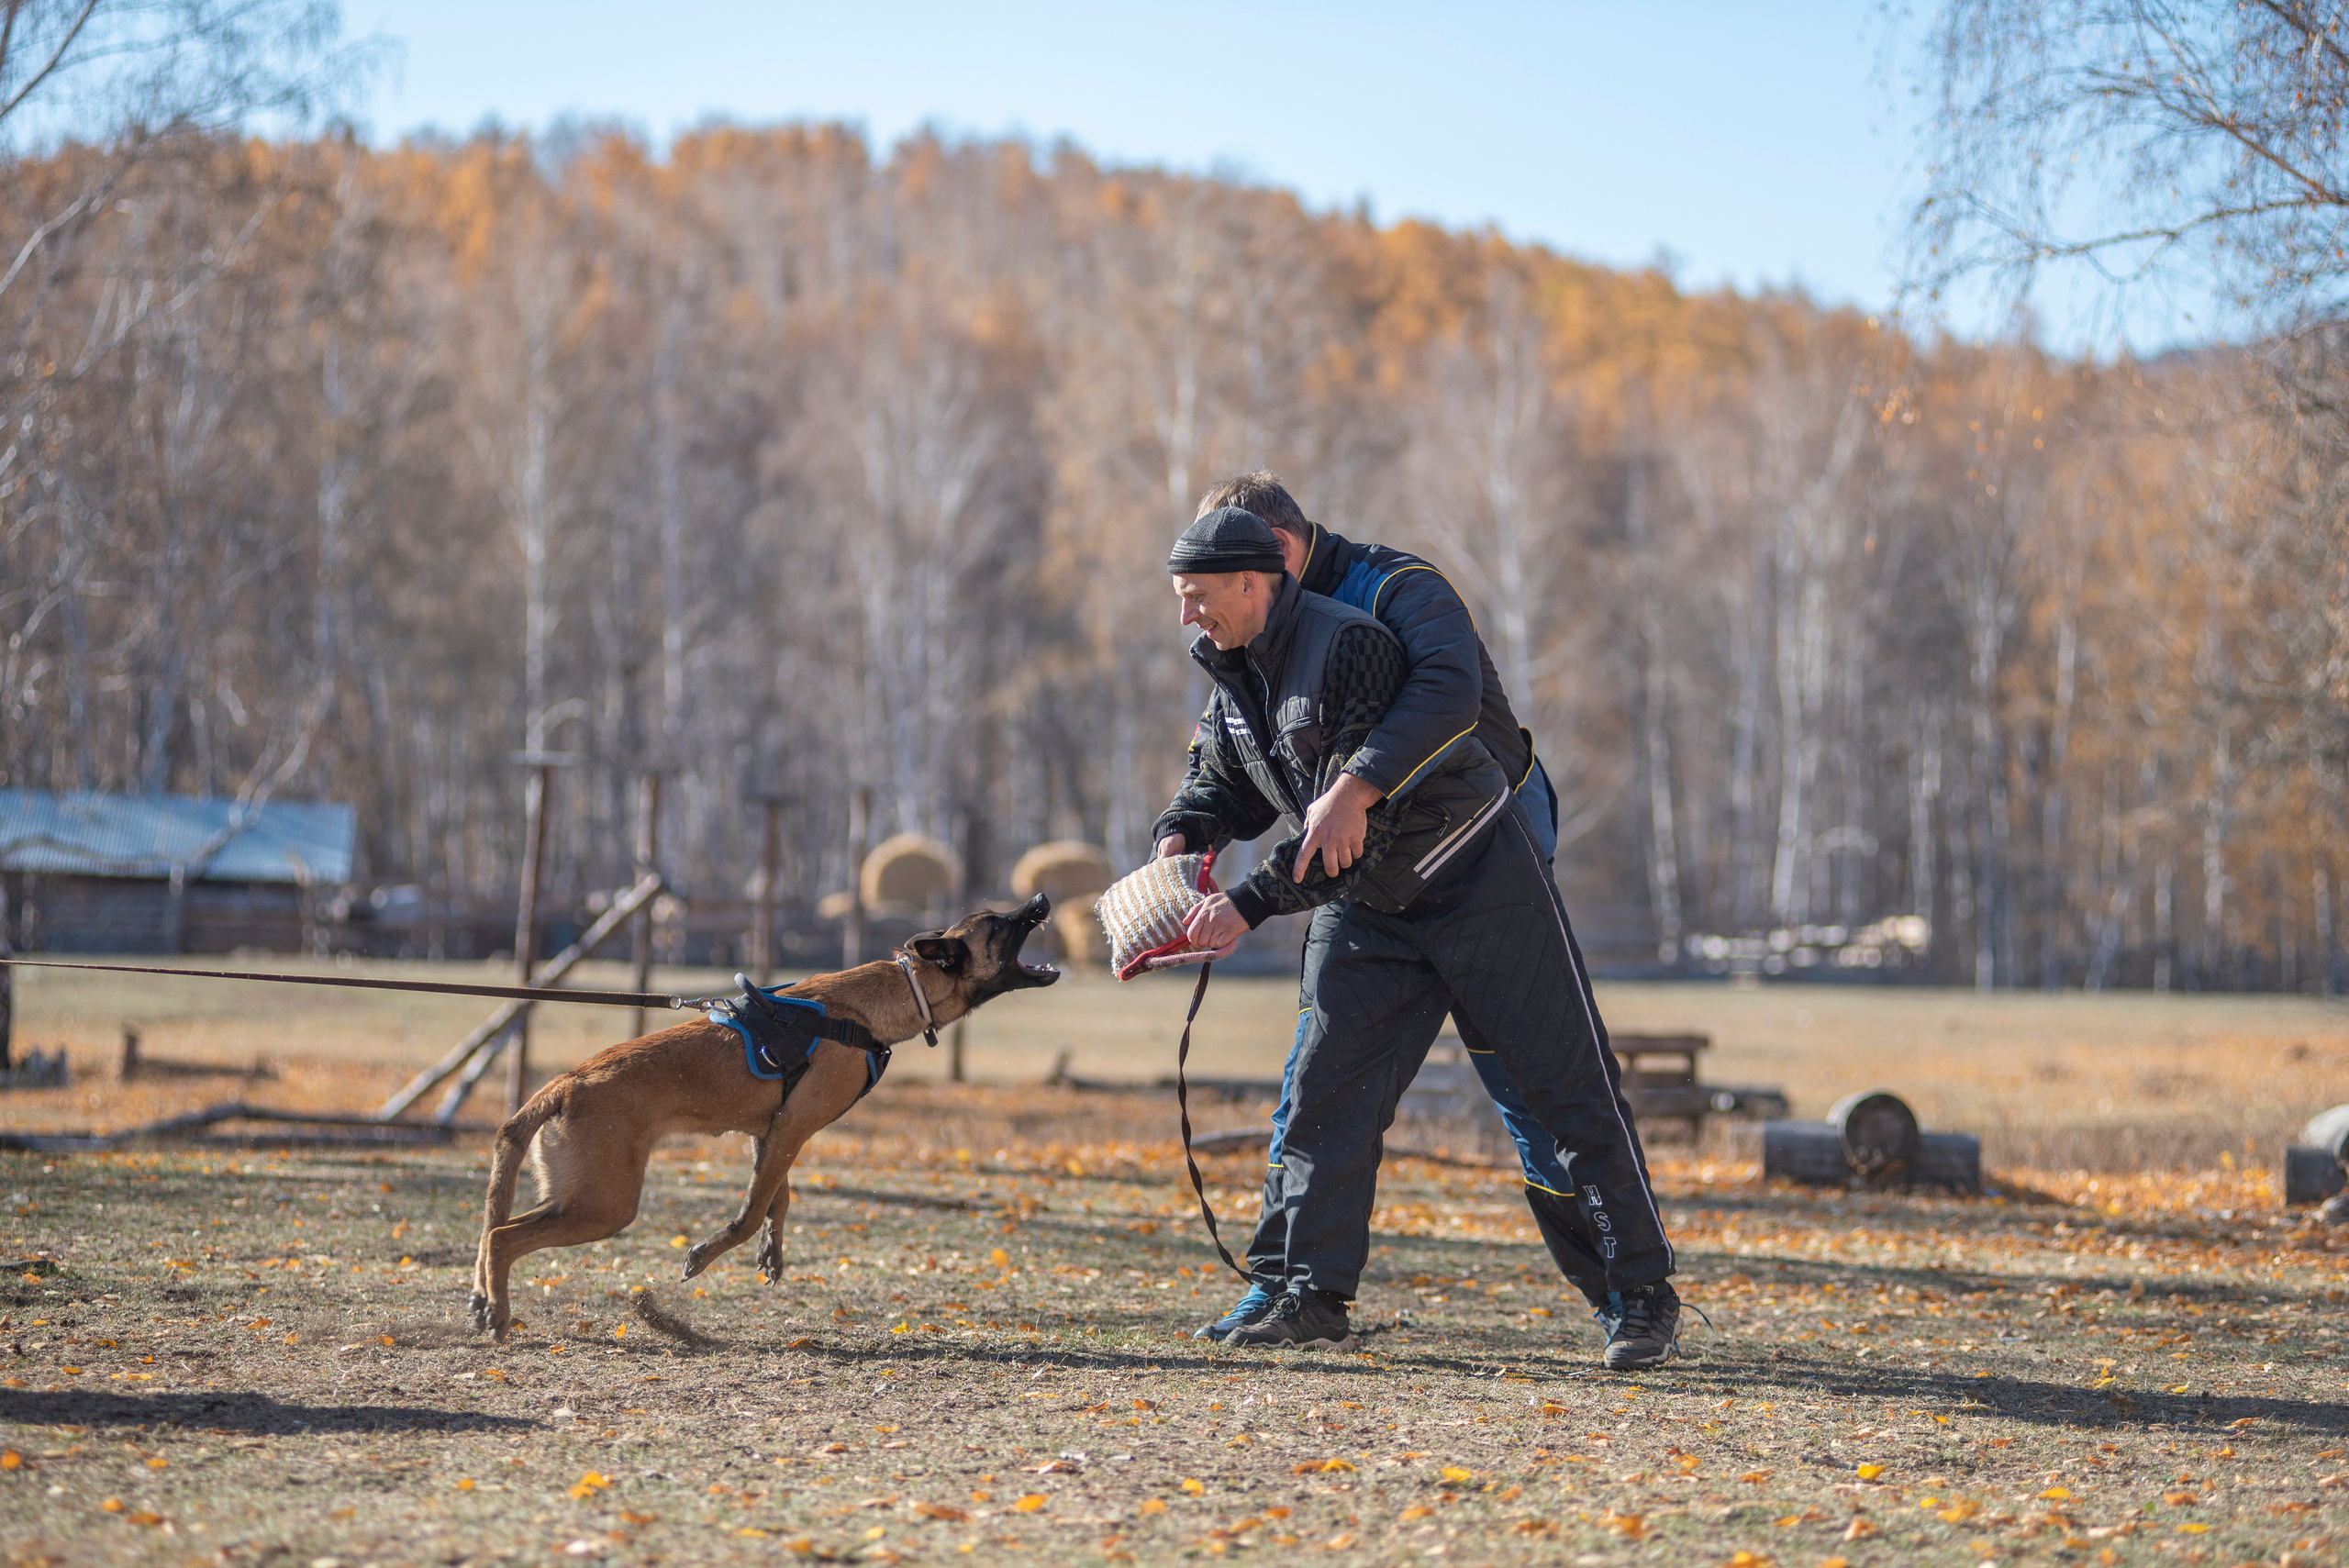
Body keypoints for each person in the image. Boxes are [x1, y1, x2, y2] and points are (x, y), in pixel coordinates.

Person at [1153, 497, 1682, 1367]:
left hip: (1475, 875)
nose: (1185, 613)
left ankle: (1639, 1294)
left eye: (1197, 590)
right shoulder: (1234, 658)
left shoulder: (1373, 615)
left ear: (1263, 566)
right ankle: (1302, 1290)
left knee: (1562, 1089)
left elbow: (1391, 775)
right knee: (1320, 1090)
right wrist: (1184, 832)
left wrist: (1260, 889)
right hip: (1368, 905)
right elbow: (1231, 772)